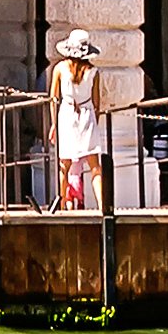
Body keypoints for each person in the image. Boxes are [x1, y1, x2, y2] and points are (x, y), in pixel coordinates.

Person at [48, 29, 112, 213]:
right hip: (87, 114)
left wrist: (54, 124)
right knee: (95, 166)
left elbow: (53, 98)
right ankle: (102, 206)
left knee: (64, 166)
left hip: (67, 114)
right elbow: (97, 102)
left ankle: (61, 205)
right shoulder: (93, 72)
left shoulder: (59, 69)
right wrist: (94, 122)